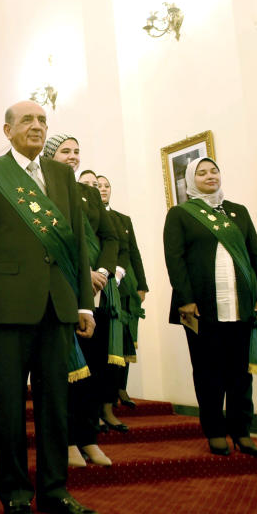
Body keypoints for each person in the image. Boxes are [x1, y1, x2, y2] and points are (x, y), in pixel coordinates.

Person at [0, 100, 100, 514]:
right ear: (8, 131)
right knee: (7, 409)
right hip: (7, 309)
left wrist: (82, 303)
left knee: (56, 407)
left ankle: (55, 490)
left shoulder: (61, 174)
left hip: (57, 307)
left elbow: (76, 244)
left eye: (42, 120)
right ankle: (17, 494)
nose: (37, 126)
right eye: (27, 120)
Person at [163, 158, 257, 456]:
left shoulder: (239, 212)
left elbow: (256, 255)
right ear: (190, 179)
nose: (210, 176)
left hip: (242, 305)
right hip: (200, 309)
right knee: (208, 371)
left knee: (241, 372)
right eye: (202, 172)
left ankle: (242, 431)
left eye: (214, 171)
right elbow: (175, 259)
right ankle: (214, 431)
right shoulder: (181, 214)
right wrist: (185, 298)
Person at [43, 135, 119, 468]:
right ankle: (68, 441)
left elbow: (110, 236)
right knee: (64, 373)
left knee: (94, 372)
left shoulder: (88, 193)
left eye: (76, 152)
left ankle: (89, 438)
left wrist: (100, 269)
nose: (72, 157)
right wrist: (82, 272)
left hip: (96, 296)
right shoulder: (42, 190)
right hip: (60, 292)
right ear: (50, 155)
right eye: (65, 151)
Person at [97, 173, 148, 409]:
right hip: (102, 282)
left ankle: (121, 387)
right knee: (107, 338)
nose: (103, 189)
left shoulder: (123, 219)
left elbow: (133, 252)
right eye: (98, 185)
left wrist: (142, 285)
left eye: (107, 185)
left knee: (126, 338)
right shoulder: (92, 217)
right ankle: (104, 391)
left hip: (126, 283)